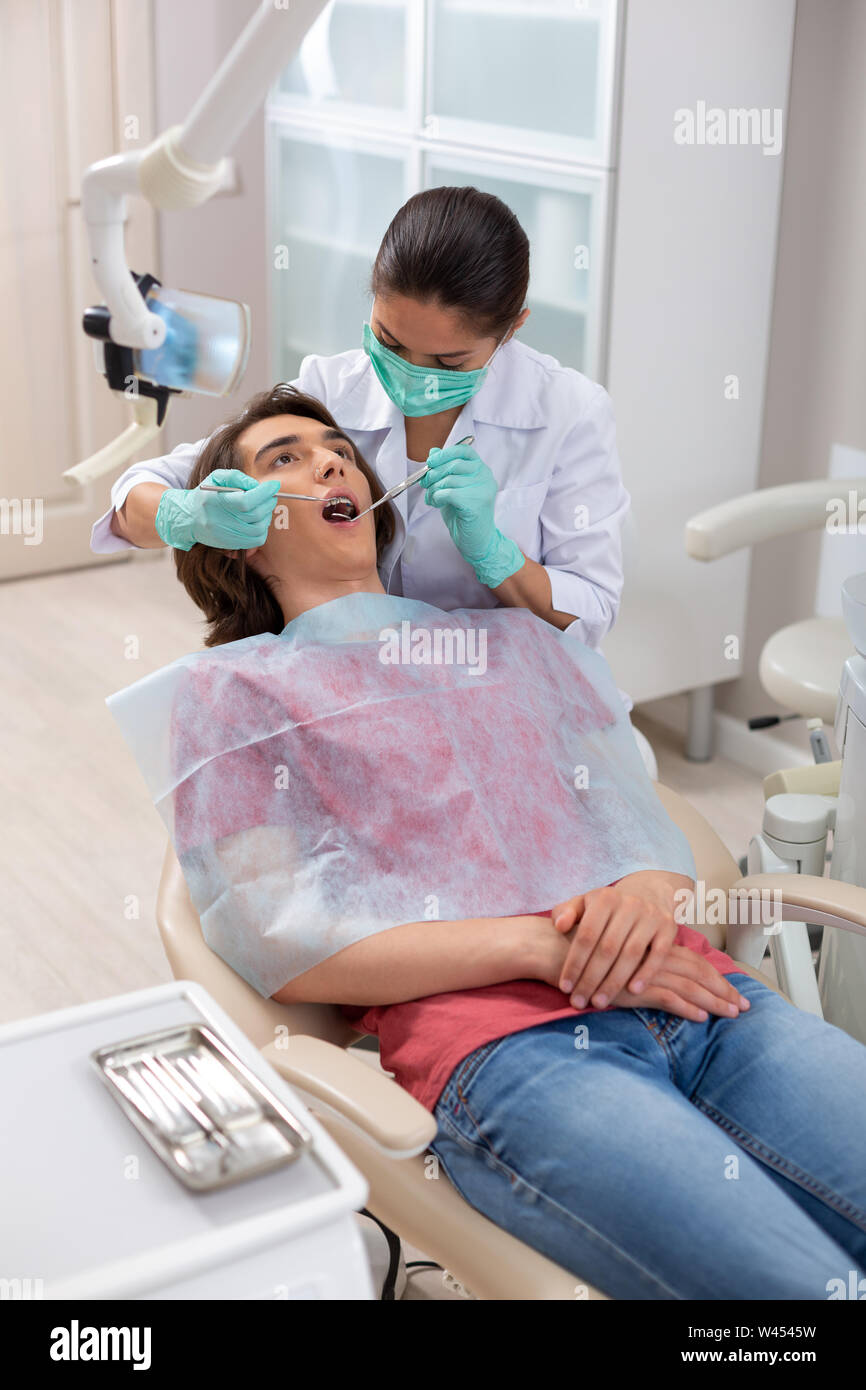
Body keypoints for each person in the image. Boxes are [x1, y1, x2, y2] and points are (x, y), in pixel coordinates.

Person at [108, 384, 866, 1301]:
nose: (330, 460)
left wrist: (643, 893)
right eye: (284, 460)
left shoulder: (512, 641)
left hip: (700, 995)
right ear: (242, 531)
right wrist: (543, 948)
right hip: (513, 1053)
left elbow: (642, 820)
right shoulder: (235, 700)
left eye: (337, 447)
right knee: (808, 1291)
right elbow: (283, 941)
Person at [91, 185, 630, 649]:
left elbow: (591, 614)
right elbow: (133, 499)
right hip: (344, 680)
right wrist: (184, 517)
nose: (412, 372)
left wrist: (496, 555)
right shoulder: (329, 391)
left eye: (448, 361)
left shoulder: (568, 413)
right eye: (390, 341)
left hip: (509, 696)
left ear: (512, 330)